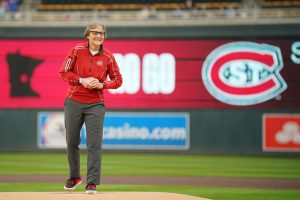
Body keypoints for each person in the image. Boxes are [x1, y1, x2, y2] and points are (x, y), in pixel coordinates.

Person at [58, 21, 122, 194]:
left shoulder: (108, 57)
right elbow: (63, 72)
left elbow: (118, 81)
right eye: (95, 33)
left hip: (96, 104)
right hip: (73, 101)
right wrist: (81, 80)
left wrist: (102, 85)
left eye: (101, 33)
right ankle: (74, 177)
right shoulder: (76, 50)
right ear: (87, 35)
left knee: (94, 144)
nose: (99, 36)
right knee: (72, 142)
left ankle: (92, 182)